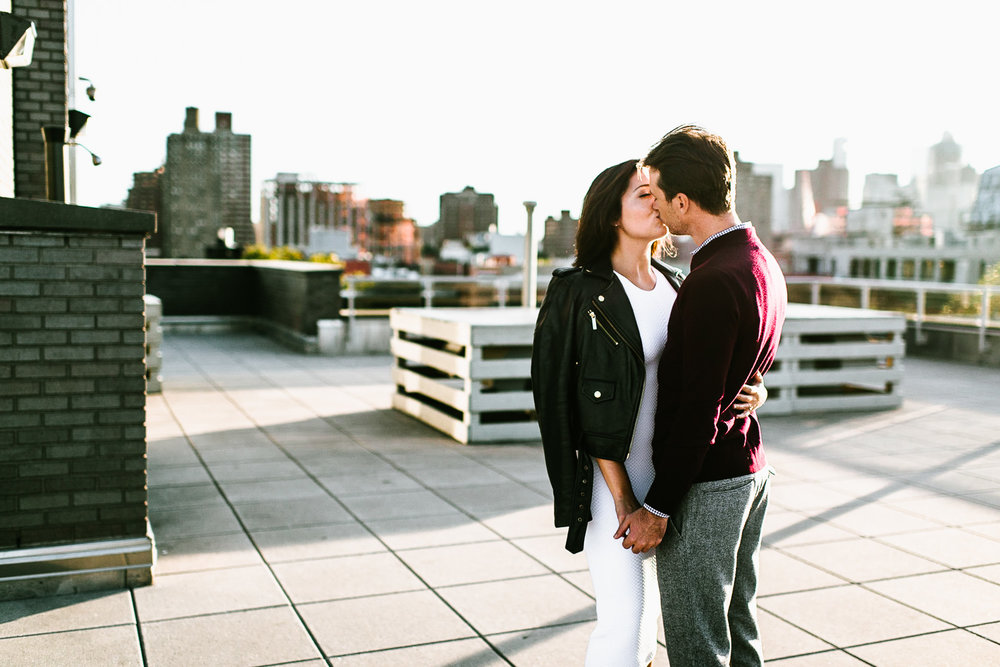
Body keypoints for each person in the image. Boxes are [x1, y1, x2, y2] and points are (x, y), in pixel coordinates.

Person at [531, 158, 767, 666]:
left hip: (674, 476)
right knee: (627, 620)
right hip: (611, 481)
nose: (656, 201)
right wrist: (622, 498)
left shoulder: (677, 282)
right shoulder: (578, 291)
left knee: (673, 616)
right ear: (612, 213)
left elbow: (717, 363)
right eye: (642, 194)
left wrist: (756, 390)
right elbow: (566, 401)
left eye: (656, 192)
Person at [617, 126, 787, 666]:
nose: (658, 209)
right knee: (738, 632)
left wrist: (659, 507)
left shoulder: (713, 279)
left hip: (709, 486)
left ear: (684, 201)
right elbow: (746, 359)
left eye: (661, 197)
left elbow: (698, 413)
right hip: (748, 473)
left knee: (698, 647)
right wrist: (754, 386)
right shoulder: (761, 261)